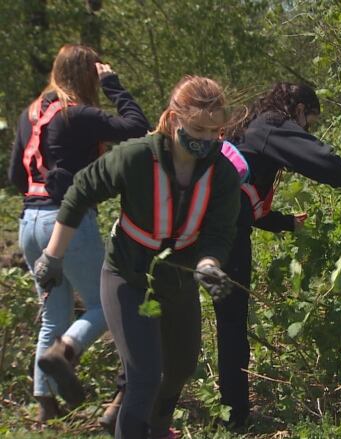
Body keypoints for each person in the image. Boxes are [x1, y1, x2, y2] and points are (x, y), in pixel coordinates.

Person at [33, 75, 241, 438]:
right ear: (175, 118)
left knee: (179, 369)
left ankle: (156, 431)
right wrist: (52, 257)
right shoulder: (136, 157)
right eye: (198, 129)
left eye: (215, 131)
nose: (207, 139)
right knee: (144, 376)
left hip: (175, 283)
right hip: (127, 278)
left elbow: (220, 233)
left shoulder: (222, 174)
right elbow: (81, 191)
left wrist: (209, 265)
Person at [7, 43, 149, 422]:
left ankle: (45, 406)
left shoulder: (30, 113)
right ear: (89, 75)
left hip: (30, 223)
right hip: (66, 221)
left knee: (54, 314)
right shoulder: (77, 114)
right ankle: (66, 351)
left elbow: (14, 176)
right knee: (107, 304)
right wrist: (114, 85)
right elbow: (138, 127)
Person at [214, 82, 341, 427]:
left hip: (204, 229)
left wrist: (284, 222)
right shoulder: (270, 123)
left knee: (173, 317)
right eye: (308, 120)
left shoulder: (249, 127)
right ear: (297, 108)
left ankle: (129, 401)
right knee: (232, 325)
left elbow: (243, 196)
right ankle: (235, 417)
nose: (307, 129)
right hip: (225, 239)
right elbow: (318, 159)